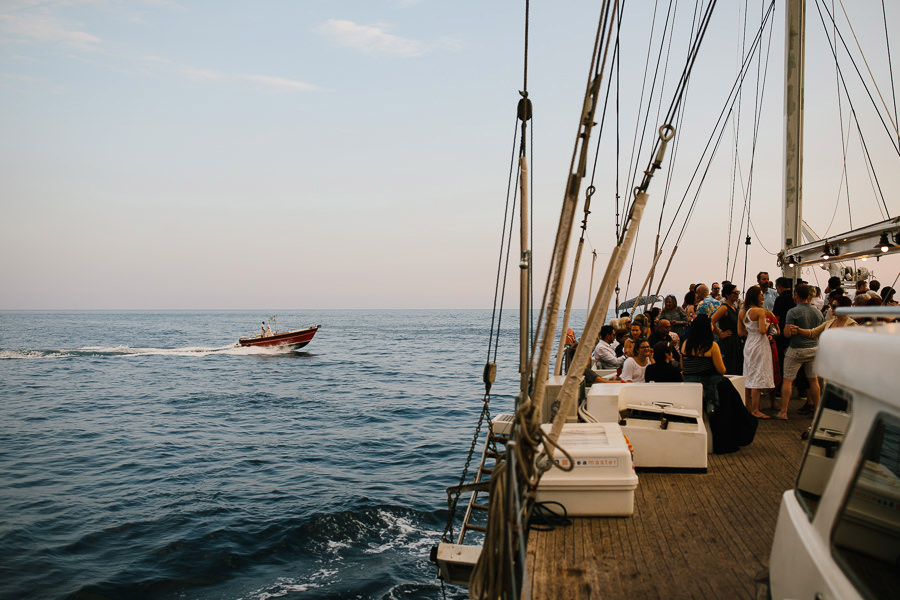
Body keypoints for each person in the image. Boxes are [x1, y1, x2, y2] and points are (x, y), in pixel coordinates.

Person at [781, 284, 824, 418]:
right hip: (814, 348)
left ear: (796, 295)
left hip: (797, 349)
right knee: (813, 380)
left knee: (788, 380)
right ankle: (817, 410)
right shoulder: (817, 312)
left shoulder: (793, 312)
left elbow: (787, 333)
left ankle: (783, 412)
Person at [738, 285, 776, 419]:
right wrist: (767, 324)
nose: (763, 297)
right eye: (760, 295)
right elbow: (762, 330)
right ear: (755, 296)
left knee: (748, 374)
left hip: (749, 343)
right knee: (758, 374)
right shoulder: (760, 311)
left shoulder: (742, 311)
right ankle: (755, 409)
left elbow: (740, 332)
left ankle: (748, 406)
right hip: (760, 343)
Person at [680, 314, 726, 413]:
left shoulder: (685, 344)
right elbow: (721, 370)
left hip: (690, 386)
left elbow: (683, 367)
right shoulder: (712, 346)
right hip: (709, 387)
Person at [711, 282, 743, 375]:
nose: (737, 295)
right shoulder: (724, 308)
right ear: (727, 294)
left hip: (736, 341)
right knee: (730, 368)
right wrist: (720, 334)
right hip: (728, 342)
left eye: (738, 293)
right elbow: (712, 321)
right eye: (734, 293)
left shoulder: (735, 308)